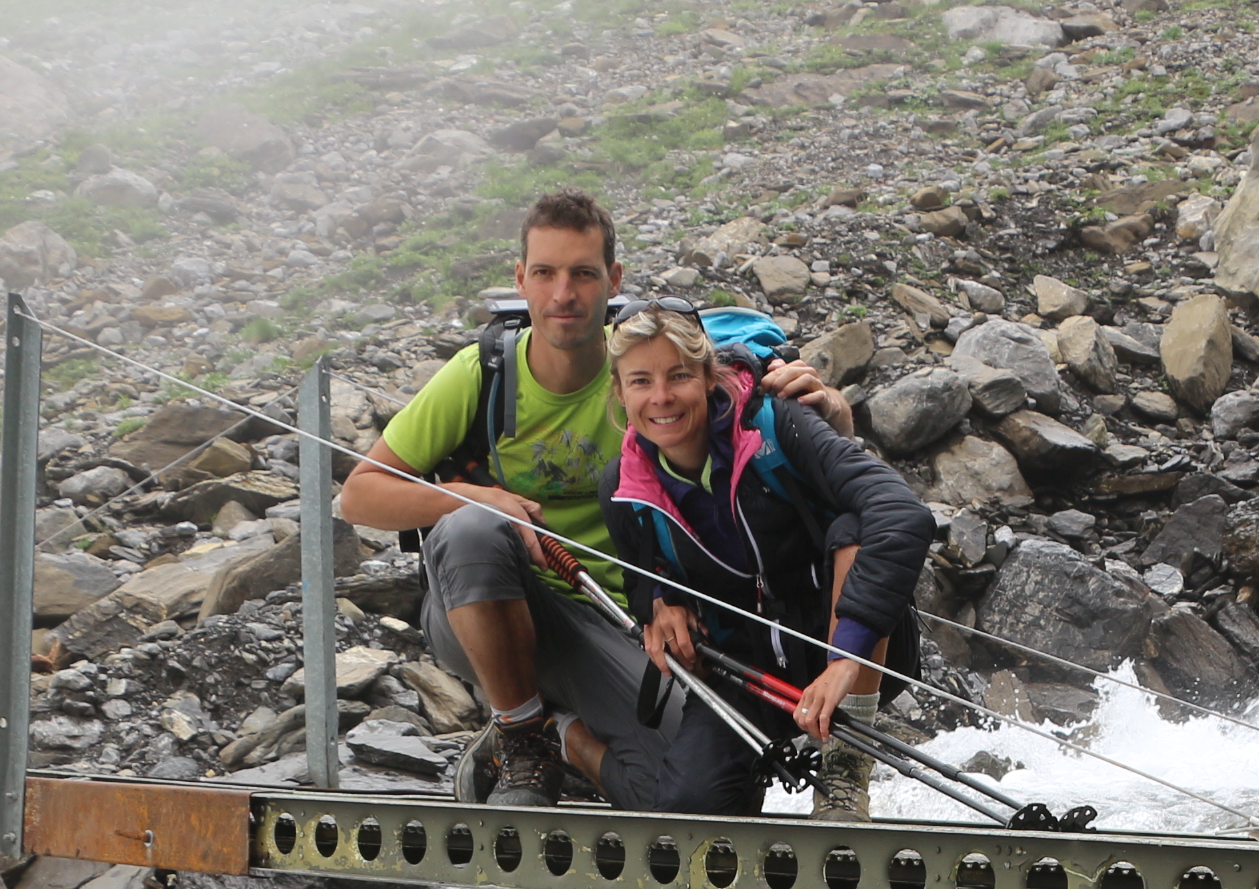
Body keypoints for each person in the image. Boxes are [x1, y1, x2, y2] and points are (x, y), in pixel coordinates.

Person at [334, 188, 853, 809]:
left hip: (625, 621)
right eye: (546, 274)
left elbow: (758, 446)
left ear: (613, 280)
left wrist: (836, 415)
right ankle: (521, 735)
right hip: (486, 606)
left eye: (583, 274)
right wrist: (473, 499)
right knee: (471, 528)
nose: (563, 295)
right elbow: (359, 496)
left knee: (686, 795)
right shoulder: (483, 375)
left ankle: (562, 735)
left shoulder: (648, 373)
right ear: (520, 281)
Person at [591, 305, 935, 817]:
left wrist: (847, 656)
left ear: (709, 377)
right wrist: (659, 601)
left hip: (848, 649)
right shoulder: (622, 489)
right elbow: (642, 572)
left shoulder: (777, 426)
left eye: (679, 375)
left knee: (855, 526)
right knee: (690, 809)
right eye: (641, 381)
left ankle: (844, 769)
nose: (660, 397)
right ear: (620, 392)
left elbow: (901, 512)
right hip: (746, 672)